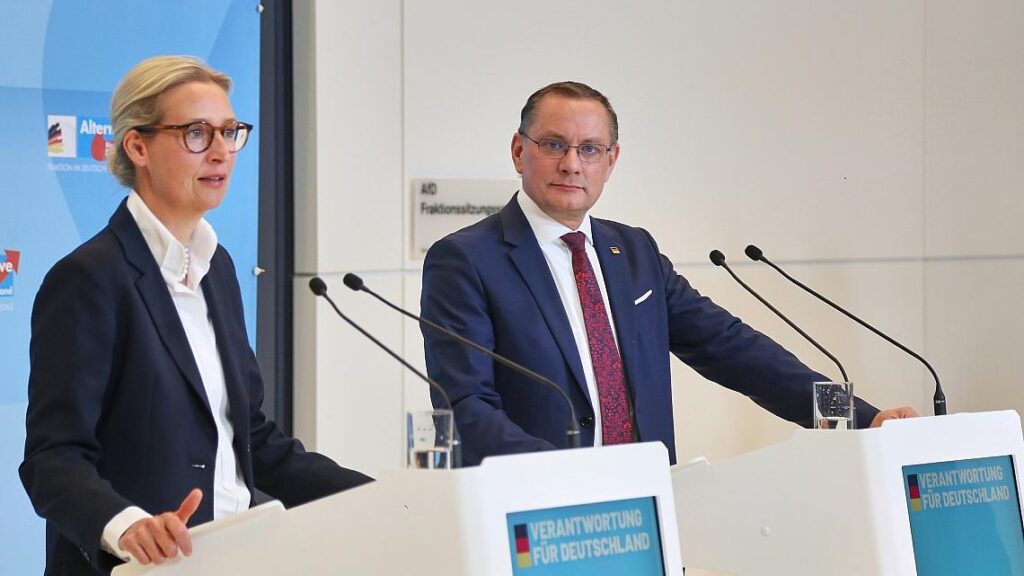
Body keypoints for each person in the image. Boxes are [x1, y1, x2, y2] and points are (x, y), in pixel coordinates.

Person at [420, 81, 917, 467]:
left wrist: (862, 417)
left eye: (590, 148)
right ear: (518, 150)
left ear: (611, 161)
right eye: (554, 144)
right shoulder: (466, 260)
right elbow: (467, 405)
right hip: (536, 511)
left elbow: (734, 350)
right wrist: (572, 476)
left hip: (647, 509)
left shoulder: (632, 251)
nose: (572, 164)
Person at [20, 56, 372, 576]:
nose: (221, 151)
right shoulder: (89, 278)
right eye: (196, 134)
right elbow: (53, 459)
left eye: (228, 132)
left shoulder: (217, 268)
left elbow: (251, 439)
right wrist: (128, 526)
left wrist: (379, 498)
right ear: (138, 147)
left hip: (234, 559)